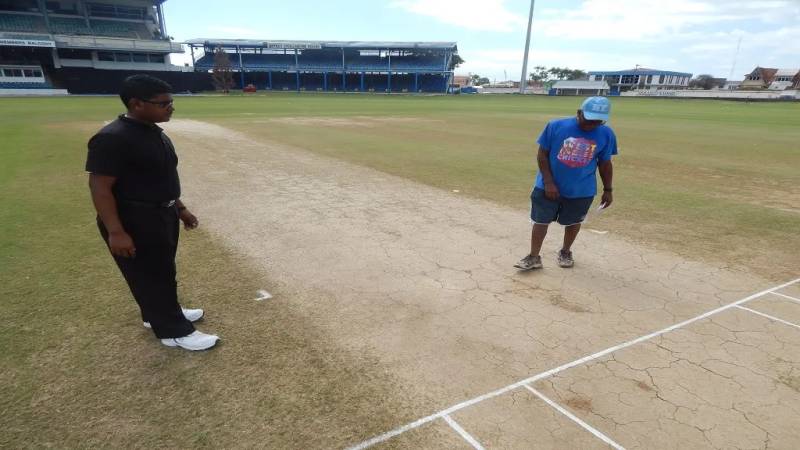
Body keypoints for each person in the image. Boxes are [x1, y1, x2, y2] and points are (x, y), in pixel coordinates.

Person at [86, 75, 219, 350]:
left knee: (160, 270)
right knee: (150, 273)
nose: (171, 108)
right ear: (136, 104)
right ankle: (174, 331)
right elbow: (100, 188)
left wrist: (180, 208)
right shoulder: (112, 138)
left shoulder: (152, 131)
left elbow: (159, 178)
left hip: (162, 213)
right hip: (135, 219)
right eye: (163, 103)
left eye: (171, 102)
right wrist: (116, 231)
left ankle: (157, 314)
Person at [515, 96, 617, 271]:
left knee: (573, 222)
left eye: (597, 122)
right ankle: (533, 257)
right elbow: (542, 155)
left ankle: (565, 251)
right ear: (579, 113)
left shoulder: (606, 134)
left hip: (581, 190)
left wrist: (608, 189)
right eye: (588, 119)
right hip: (547, 186)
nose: (591, 125)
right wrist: (548, 182)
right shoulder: (556, 126)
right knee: (540, 221)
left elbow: (605, 163)